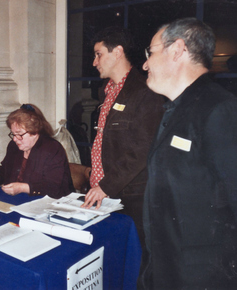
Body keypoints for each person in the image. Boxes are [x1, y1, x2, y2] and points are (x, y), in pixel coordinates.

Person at [139, 18, 237, 289]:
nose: (145, 64)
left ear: (177, 50)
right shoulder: (176, 110)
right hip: (165, 270)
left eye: (151, 52)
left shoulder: (220, 109)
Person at [81, 26, 165, 246]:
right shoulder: (106, 91)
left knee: (133, 258)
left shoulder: (145, 92)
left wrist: (105, 187)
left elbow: (142, 149)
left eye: (98, 54)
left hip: (130, 197)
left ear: (117, 52)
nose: (94, 62)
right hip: (103, 190)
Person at [0, 104, 74, 199]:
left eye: (19, 134)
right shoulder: (14, 146)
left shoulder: (52, 149)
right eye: (13, 134)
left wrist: (22, 187)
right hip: (19, 200)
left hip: (50, 203)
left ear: (35, 132)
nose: (15, 139)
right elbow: (5, 168)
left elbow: (53, 187)